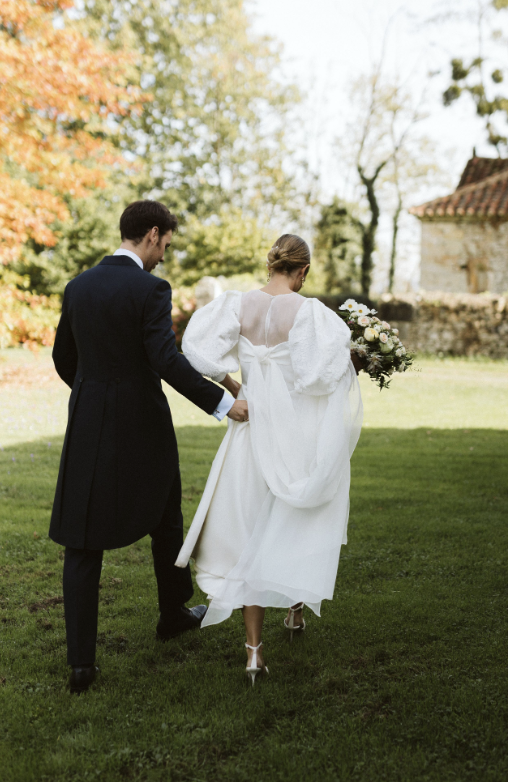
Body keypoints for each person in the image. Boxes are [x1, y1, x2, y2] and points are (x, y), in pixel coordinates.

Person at [49, 200, 248, 694]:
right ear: (152, 235)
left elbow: (62, 358)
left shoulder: (79, 287)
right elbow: (166, 360)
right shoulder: (151, 288)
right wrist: (224, 403)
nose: (164, 255)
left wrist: (96, 394)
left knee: (83, 535)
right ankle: (173, 613)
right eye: (166, 244)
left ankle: (82, 665)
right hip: (144, 425)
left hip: (89, 424)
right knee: (165, 514)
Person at [176, 234, 363, 684]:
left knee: (248, 532)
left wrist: (233, 384)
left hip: (248, 435)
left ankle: (254, 653)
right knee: (293, 518)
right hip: (291, 434)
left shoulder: (237, 305)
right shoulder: (309, 313)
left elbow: (194, 350)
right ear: (301, 271)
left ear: (272, 265)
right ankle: (296, 611)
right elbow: (317, 379)